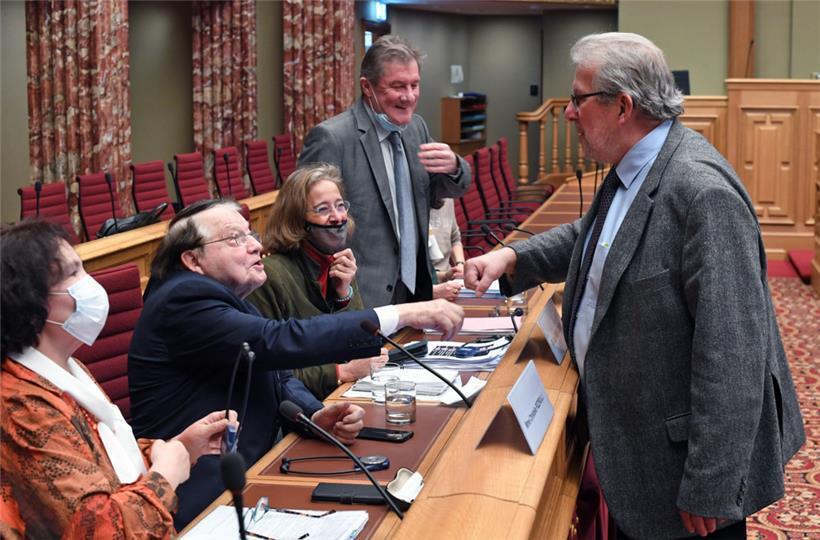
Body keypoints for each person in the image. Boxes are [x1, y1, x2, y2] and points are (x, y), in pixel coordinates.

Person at [464, 32, 804, 540]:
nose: (568, 113)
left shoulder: (701, 192)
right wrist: (512, 256)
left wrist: (710, 483)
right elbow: (598, 236)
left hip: (683, 474)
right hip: (638, 451)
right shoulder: (637, 164)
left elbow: (733, 354)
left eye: (578, 99)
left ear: (622, 106)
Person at [128, 198, 464, 528]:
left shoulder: (225, 295)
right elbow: (279, 341)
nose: (255, 247)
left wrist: (315, 415)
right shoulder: (183, 299)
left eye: (252, 235)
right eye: (236, 238)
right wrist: (403, 313)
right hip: (203, 499)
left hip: (258, 469)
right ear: (192, 259)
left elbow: (275, 371)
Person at [0, 220, 235, 538]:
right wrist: (164, 477)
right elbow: (97, 531)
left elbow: (97, 464)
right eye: (72, 274)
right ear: (29, 307)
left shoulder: (67, 368)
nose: (89, 283)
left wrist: (179, 447)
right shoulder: (21, 403)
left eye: (81, 267)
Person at [299, 35, 471, 308]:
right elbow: (306, 224)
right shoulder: (331, 138)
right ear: (367, 87)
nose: (409, 96)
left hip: (415, 289)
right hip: (361, 295)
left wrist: (454, 166)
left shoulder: (417, 128)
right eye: (397, 86)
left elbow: (442, 193)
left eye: (415, 85)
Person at [246, 163, 387, 400]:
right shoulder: (270, 275)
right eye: (323, 209)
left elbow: (363, 342)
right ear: (297, 220)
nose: (337, 217)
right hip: (294, 414)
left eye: (340, 206)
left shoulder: (338, 263)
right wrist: (341, 372)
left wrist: (344, 295)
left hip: (343, 396)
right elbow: (268, 369)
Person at [429, 198, 465, 302]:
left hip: (449, 281)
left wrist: (460, 264)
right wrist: (443, 276)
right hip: (429, 288)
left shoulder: (447, 198)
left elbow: (455, 239)